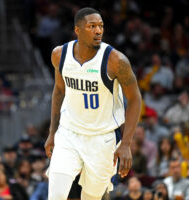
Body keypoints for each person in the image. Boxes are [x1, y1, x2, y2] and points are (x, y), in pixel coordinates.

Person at [44, 7, 142, 200]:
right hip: (69, 134)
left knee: (92, 197)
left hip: (102, 139)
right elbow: (59, 91)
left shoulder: (115, 60)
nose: (98, 31)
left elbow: (135, 98)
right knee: (56, 195)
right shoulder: (59, 55)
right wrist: (52, 133)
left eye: (101, 26)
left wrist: (126, 143)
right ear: (77, 30)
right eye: (92, 26)